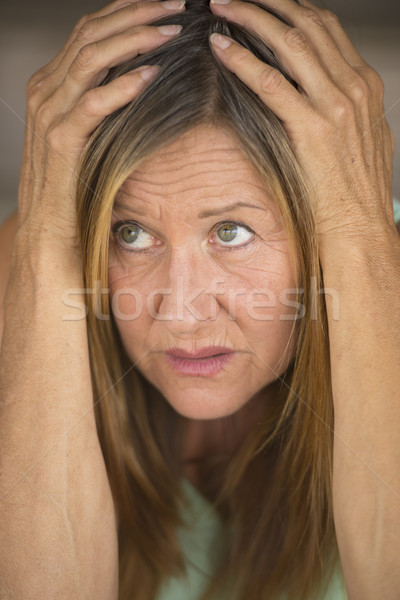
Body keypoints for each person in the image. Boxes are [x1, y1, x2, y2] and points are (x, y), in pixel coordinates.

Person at [0, 0, 399, 598]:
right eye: (130, 233)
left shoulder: (372, 259)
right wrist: (41, 241)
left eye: (231, 232)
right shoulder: (32, 274)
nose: (180, 311)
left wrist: (364, 238)